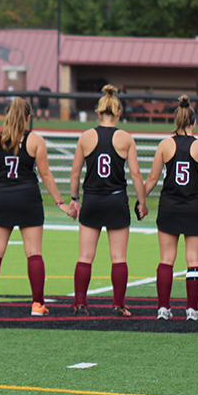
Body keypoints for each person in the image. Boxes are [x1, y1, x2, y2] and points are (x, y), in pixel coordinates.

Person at [0, 98, 72, 316]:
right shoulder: (35, 140)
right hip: (28, 198)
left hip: (2, 198)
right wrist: (61, 203)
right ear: (28, 117)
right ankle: (37, 304)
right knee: (34, 252)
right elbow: (46, 175)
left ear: (7, 116)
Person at [69, 85, 145, 317]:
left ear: (99, 112)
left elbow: (75, 173)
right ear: (119, 113)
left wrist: (74, 199)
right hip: (116, 200)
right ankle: (118, 305)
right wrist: (142, 202)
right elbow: (135, 174)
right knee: (119, 257)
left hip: (92, 199)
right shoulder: (125, 138)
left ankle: (80, 304)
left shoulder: (86, 136)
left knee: (85, 256)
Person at [140, 96, 198, 320]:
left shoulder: (165, 145)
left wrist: (141, 200)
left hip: (169, 206)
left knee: (166, 258)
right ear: (194, 122)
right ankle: (192, 309)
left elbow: (153, 178)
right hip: (194, 206)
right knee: (193, 259)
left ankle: (163, 308)